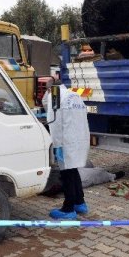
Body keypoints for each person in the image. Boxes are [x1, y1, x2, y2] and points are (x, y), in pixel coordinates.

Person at [44, 79, 90, 219]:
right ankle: (80, 202)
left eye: (47, 90)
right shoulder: (74, 95)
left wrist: (56, 144)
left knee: (67, 174)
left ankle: (68, 208)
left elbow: (54, 122)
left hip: (66, 141)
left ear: (50, 88)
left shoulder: (56, 95)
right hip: (79, 139)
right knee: (73, 170)